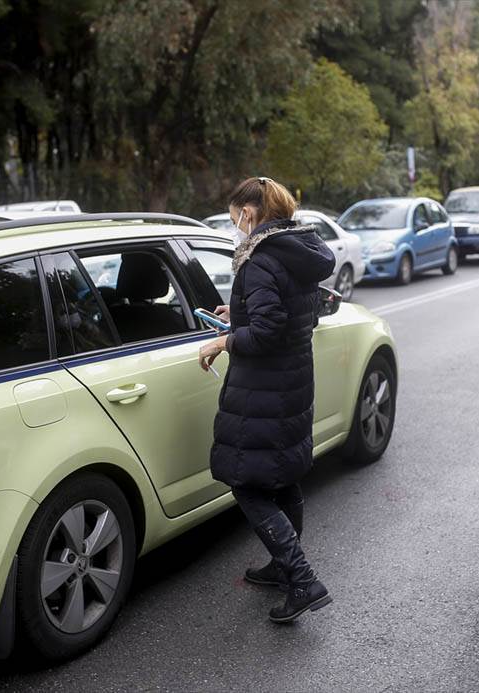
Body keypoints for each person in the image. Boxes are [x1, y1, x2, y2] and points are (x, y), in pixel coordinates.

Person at [198, 176, 336, 622]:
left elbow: (267, 330)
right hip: (292, 381)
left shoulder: (258, 260)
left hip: (262, 388)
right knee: (281, 474)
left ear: (250, 213)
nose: (234, 223)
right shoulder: (298, 251)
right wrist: (237, 312)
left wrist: (224, 342)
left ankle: (301, 579)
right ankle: (282, 568)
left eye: (235, 214)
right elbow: (295, 311)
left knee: (246, 482)